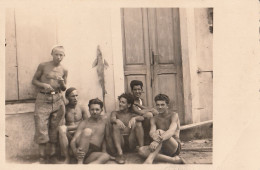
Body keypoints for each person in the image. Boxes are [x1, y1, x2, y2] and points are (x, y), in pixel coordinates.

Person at [32, 45, 68, 163]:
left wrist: (62, 82)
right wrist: (43, 85)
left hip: (57, 99)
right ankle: (41, 157)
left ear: (64, 56)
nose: (58, 57)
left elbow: (64, 88)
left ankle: (52, 156)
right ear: (52, 54)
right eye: (56, 54)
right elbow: (34, 80)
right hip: (43, 98)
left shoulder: (64, 69)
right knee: (41, 127)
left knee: (55, 127)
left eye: (61, 55)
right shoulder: (43, 66)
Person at [138, 94, 185, 164]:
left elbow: (171, 131)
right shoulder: (154, 118)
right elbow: (152, 132)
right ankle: (173, 160)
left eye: (162, 105)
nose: (160, 107)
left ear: (167, 105)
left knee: (160, 131)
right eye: (158, 105)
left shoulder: (174, 115)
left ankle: (149, 160)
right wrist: (154, 137)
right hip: (160, 147)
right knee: (141, 150)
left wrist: (157, 140)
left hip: (173, 146)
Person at [70, 98, 111, 164]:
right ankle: (79, 163)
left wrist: (104, 151)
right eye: (92, 109)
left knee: (106, 156)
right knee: (87, 131)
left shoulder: (105, 121)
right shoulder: (84, 122)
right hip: (81, 149)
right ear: (89, 110)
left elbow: (105, 138)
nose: (94, 112)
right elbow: (73, 140)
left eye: (97, 109)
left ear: (101, 110)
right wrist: (75, 151)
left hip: (92, 153)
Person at [111, 93, 145, 164]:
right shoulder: (115, 113)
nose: (120, 104)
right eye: (120, 102)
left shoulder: (132, 114)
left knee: (138, 123)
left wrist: (135, 118)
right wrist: (116, 120)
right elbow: (112, 119)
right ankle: (120, 154)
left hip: (131, 142)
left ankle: (142, 149)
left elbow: (142, 117)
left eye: (123, 102)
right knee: (115, 125)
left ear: (129, 105)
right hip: (121, 142)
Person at [58, 87, 88, 163]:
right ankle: (67, 158)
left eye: (76, 96)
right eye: (72, 96)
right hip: (68, 135)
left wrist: (77, 127)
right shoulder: (64, 108)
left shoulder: (82, 107)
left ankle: (79, 157)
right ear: (67, 97)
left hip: (79, 134)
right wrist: (70, 128)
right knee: (61, 129)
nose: (75, 98)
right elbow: (62, 125)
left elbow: (87, 123)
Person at [130, 80, 159, 144]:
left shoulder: (141, 100)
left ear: (141, 90)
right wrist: (151, 110)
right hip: (134, 122)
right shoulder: (130, 100)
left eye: (139, 89)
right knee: (149, 114)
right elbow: (139, 112)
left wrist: (138, 105)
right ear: (132, 91)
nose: (137, 91)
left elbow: (146, 109)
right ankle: (146, 141)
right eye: (135, 89)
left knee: (154, 114)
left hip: (143, 121)